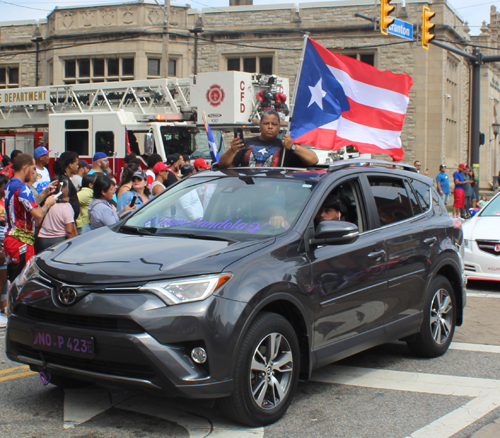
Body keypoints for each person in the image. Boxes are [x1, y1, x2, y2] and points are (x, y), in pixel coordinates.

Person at [3, 153, 57, 282]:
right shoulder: (23, 188)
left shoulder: (9, 185)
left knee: (14, 278)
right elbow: (38, 214)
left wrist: (44, 193)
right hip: (21, 241)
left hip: (11, 239)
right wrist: (48, 204)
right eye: (33, 168)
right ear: (25, 168)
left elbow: (28, 205)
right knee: (21, 282)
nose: (35, 172)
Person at [218, 110, 318, 168]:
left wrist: (293, 147)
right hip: (247, 190)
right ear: (260, 125)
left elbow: (313, 160)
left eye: (274, 124)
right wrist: (232, 150)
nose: (270, 127)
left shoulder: (285, 146)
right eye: (266, 123)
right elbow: (223, 165)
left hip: (275, 192)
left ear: (279, 127)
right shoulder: (247, 143)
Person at [36, 175, 78, 253]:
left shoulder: (45, 204)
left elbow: (37, 224)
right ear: (64, 189)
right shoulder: (67, 207)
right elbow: (69, 231)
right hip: (59, 241)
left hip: (42, 240)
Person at [53, 151, 80, 221]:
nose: (78, 166)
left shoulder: (66, 178)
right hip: (65, 222)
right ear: (70, 165)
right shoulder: (62, 180)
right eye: (76, 164)